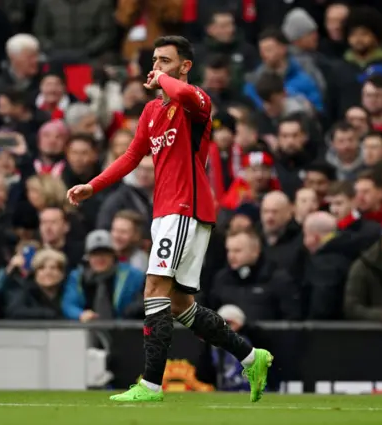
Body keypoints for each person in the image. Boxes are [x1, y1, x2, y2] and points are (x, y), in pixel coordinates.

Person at [66, 36, 272, 403]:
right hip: (165, 212)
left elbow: (186, 95)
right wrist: (92, 186)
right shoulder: (150, 113)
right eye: (155, 59)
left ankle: (150, 385)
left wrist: (162, 80)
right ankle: (252, 357)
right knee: (179, 306)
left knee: (153, 291)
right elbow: (131, 156)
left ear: (185, 66)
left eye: (165, 60)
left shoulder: (197, 102)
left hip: (186, 208)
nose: (157, 66)